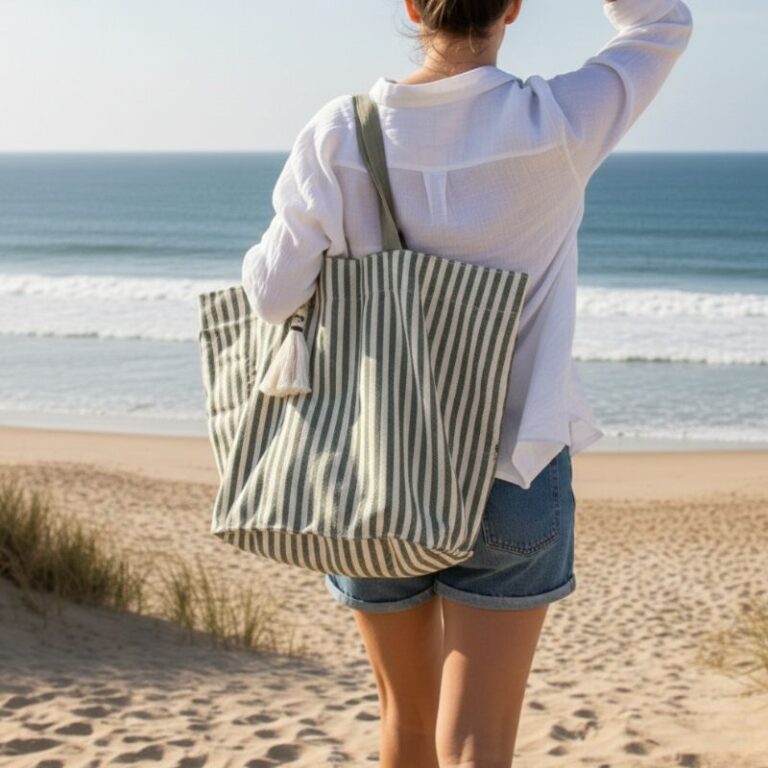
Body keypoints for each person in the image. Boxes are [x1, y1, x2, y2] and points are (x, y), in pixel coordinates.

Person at [241, 0, 694, 764]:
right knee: (481, 740)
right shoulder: (558, 123)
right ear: (513, 7)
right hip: (512, 465)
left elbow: (269, 296)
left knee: (408, 723)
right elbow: (662, 24)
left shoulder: (340, 131)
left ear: (413, 7)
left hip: (373, 468)